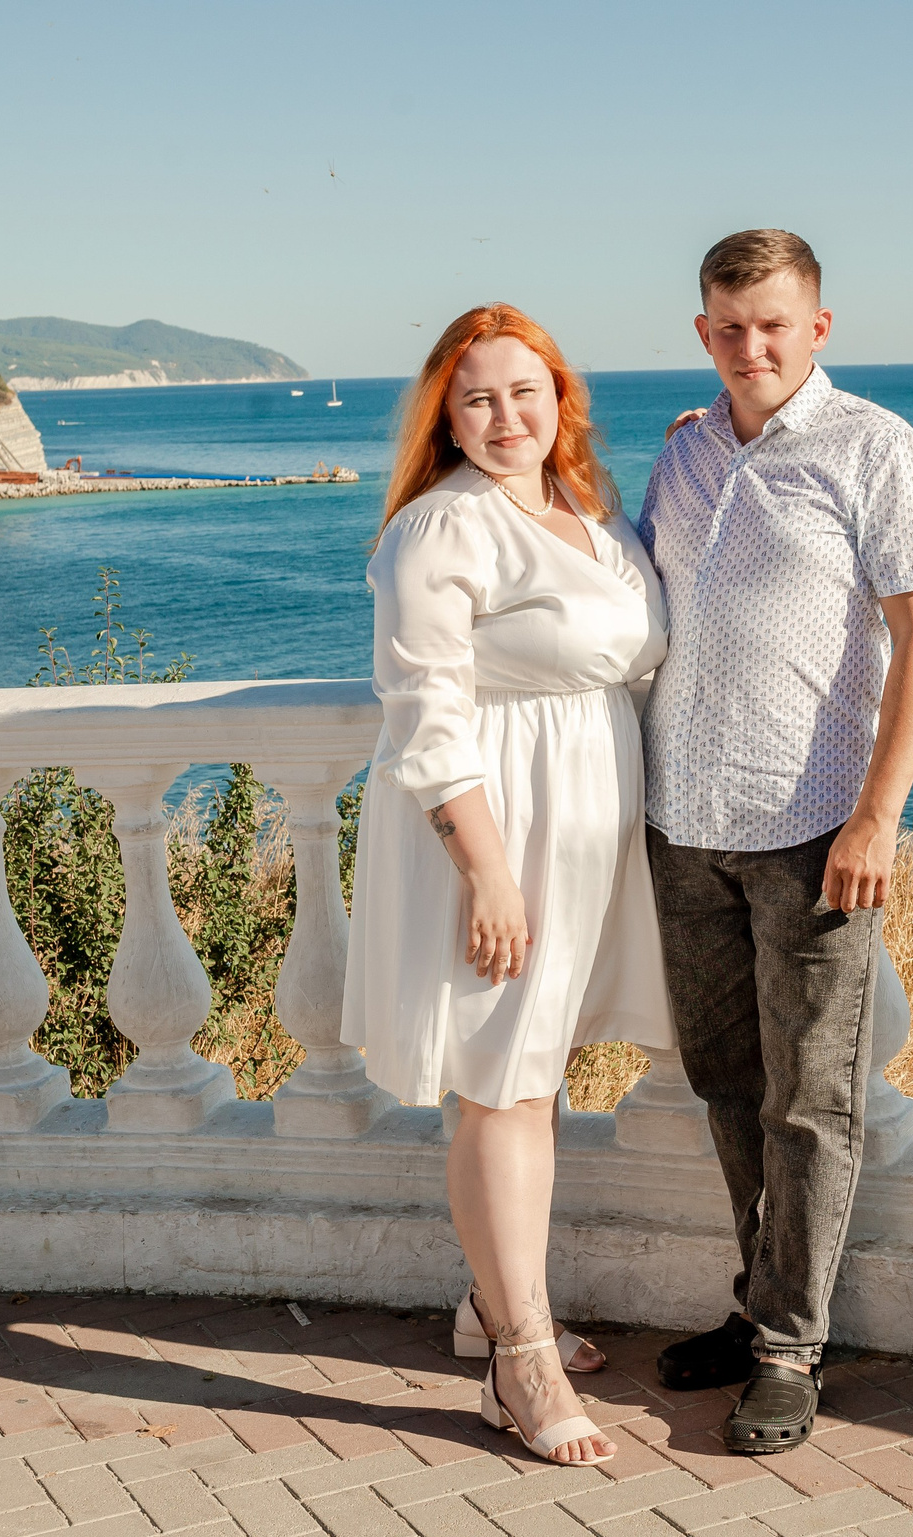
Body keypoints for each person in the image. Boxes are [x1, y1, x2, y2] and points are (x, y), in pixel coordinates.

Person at [638, 230, 913, 1454]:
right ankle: (754, 1300)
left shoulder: (878, 451)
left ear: (817, 326)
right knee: (727, 1087)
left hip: (816, 831)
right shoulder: (683, 451)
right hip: (684, 827)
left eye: (772, 322)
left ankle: (789, 1349)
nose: (750, 345)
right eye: (728, 326)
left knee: (812, 1104)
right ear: (703, 333)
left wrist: (877, 813)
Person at [343, 303, 673, 1465]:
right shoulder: (440, 529)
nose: (503, 418)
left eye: (524, 393)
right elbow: (422, 715)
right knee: (502, 1085)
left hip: (582, 823)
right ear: (445, 413)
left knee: (532, 1072)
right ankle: (516, 1360)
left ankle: (489, 1302)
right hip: (500, 829)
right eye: (475, 398)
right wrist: (485, 871)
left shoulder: (588, 512)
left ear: (561, 399)